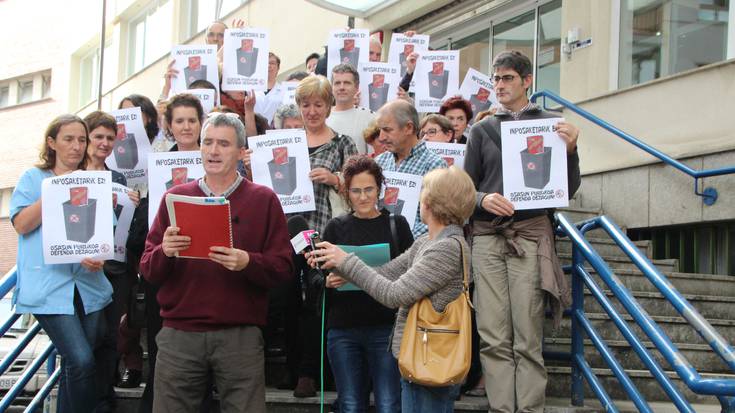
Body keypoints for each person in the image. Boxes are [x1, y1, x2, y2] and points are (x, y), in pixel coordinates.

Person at [140, 112, 293, 413]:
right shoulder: (175, 196)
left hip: (240, 335)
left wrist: (248, 261)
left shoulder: (264, 199)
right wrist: (165, 251)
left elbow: (284, 268)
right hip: (179, 334)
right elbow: (147, 267)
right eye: (207, 142)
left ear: (240, 151)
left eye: (223, 144)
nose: (213, 151)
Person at [464, 50, 580, 413]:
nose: (499, 85)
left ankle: (530, 409)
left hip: (529, 234)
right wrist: (483, 199)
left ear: (527, 81)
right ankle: (501, 408)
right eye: (496, 78)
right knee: (493, 335)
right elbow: (466, 189)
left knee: (528, 334)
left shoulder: (552, 124)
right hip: (486, 236)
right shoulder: (481, 129)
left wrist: (572, 150)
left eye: (508, 78)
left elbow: (568, 188)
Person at [307, 166, 476, 413]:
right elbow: (385, 272)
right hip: (420, 356)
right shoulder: (428, 242)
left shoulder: (445, 248)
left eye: (424, 191)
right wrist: (333, 263)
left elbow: (394, 294)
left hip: (431, 360)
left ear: (431, 202)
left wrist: (346, 261)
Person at [10, 114, 113, 413]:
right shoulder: (33, 178)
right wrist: (56, 191)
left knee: (75, 364)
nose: (77, 146)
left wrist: (100, 257)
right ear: (52, 143)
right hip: (49, 289)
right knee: (81, 360)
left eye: (82, 139)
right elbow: (21, 224)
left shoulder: (94, 181)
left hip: (89, 287)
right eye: (69, 139)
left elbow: (105, 231)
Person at [318, 155, 413, 413]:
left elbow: (410, 272)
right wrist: (327, 281)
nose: (362, 197)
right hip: (344, 328)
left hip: (385, 326)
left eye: (369, 189)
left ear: (379, 189)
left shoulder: (397, 225)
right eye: (356, 191)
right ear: (346, 192)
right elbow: (317, 275)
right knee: (349, 404)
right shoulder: (336, 227)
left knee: (388, 403)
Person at [292, 75, 358, 397]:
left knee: (317, 299)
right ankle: (293, 370)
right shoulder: (286, 143)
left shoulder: (343, 143)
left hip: (320, 231)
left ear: (330, 105)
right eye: (306, 104)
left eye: (318, 103)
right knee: (287, 300)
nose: (312, 110)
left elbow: (361, 189)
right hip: (284, 231)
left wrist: (334, 178)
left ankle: (311, 371)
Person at [82, 111, 141, 408]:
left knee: (108, 337)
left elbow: (124, 229)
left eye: (110, 138)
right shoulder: (71, 175)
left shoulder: (118, 178)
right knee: (85, 340)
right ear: (86, 138)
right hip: (81, 270)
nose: (104, 143)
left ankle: (104, 398)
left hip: (115, 268)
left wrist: (131, 207)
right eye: (98, 137)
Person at [374, 100, 446, 238]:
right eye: (380, 130)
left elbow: (439, 221)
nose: (381, 137)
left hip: (416, 252)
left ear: (408, 128)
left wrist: (400, 239)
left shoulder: (435, 166)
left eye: (387, 130)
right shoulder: (379, 162)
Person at [326, 63, 373, 154]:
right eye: (337, 83)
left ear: (356, 87)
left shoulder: (369, 117)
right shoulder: (322, 117)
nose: (342, 87)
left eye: (347, 83)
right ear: (332, 87)